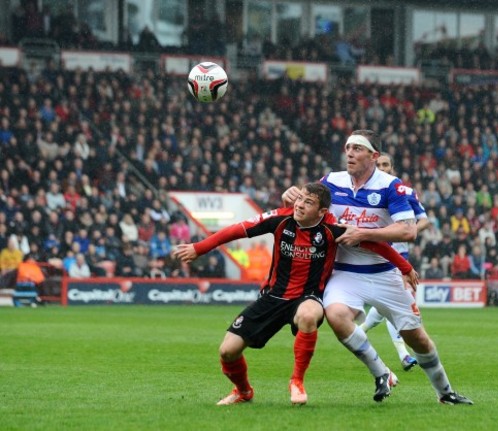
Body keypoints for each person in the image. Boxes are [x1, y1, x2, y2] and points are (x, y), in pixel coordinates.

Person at [173, 183, 417, 406]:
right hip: (273, 296)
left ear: (321, 211)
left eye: (307, 202)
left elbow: (375, 244)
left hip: (307, 297)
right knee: (228, 351)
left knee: (310, 315)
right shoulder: (280, 219)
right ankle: (243, 392)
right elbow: (237, 230)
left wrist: (406, 268)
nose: (299, 204)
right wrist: (198, 247)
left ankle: (297, 381)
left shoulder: (333, 229)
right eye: (299, 199)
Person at [282, 130, 472, 404]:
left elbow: (408, 232)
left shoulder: (391, 186)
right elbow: (307, 207)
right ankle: (381, 372)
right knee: (335, 315)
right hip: (345, 272)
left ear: (374, 156)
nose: (350, 153)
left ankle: (445, 393)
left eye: (358, 148)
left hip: (385, 273)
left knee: (417, 339)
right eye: (348, 147)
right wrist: (292, 196)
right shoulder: (331, 181)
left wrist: (363, 233)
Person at [360, 152, 430, 371]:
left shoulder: (404, 191)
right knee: (397, 303)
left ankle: (358, 333)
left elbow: (424, 220)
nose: (382, 167)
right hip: (376, 254)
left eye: (386, 164)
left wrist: (406, 231)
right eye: (379, 164)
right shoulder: (363, 191)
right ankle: (403, 354)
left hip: (399, 257)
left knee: (388, 305)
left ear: (391, 167)